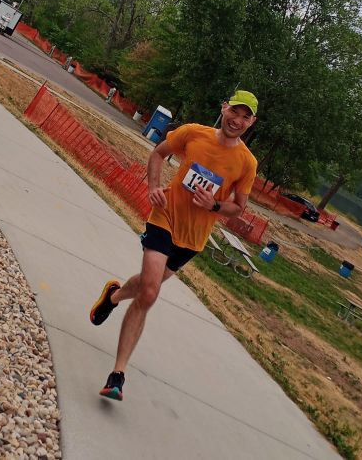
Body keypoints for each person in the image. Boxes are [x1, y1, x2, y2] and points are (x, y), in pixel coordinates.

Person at [89, 90, 260, 401]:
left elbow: (239, 208)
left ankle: (113, 296)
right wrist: (153, 186)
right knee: (151, 292)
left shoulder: (247, 163)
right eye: (235, 111)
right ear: (224, 108)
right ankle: (118, 375)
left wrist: (214, 207)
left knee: (145, 286)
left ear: (252, 122)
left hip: (194, 237)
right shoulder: (193, 133)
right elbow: (158, 153)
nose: (237, 120)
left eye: (245, 116)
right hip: (165, 216)